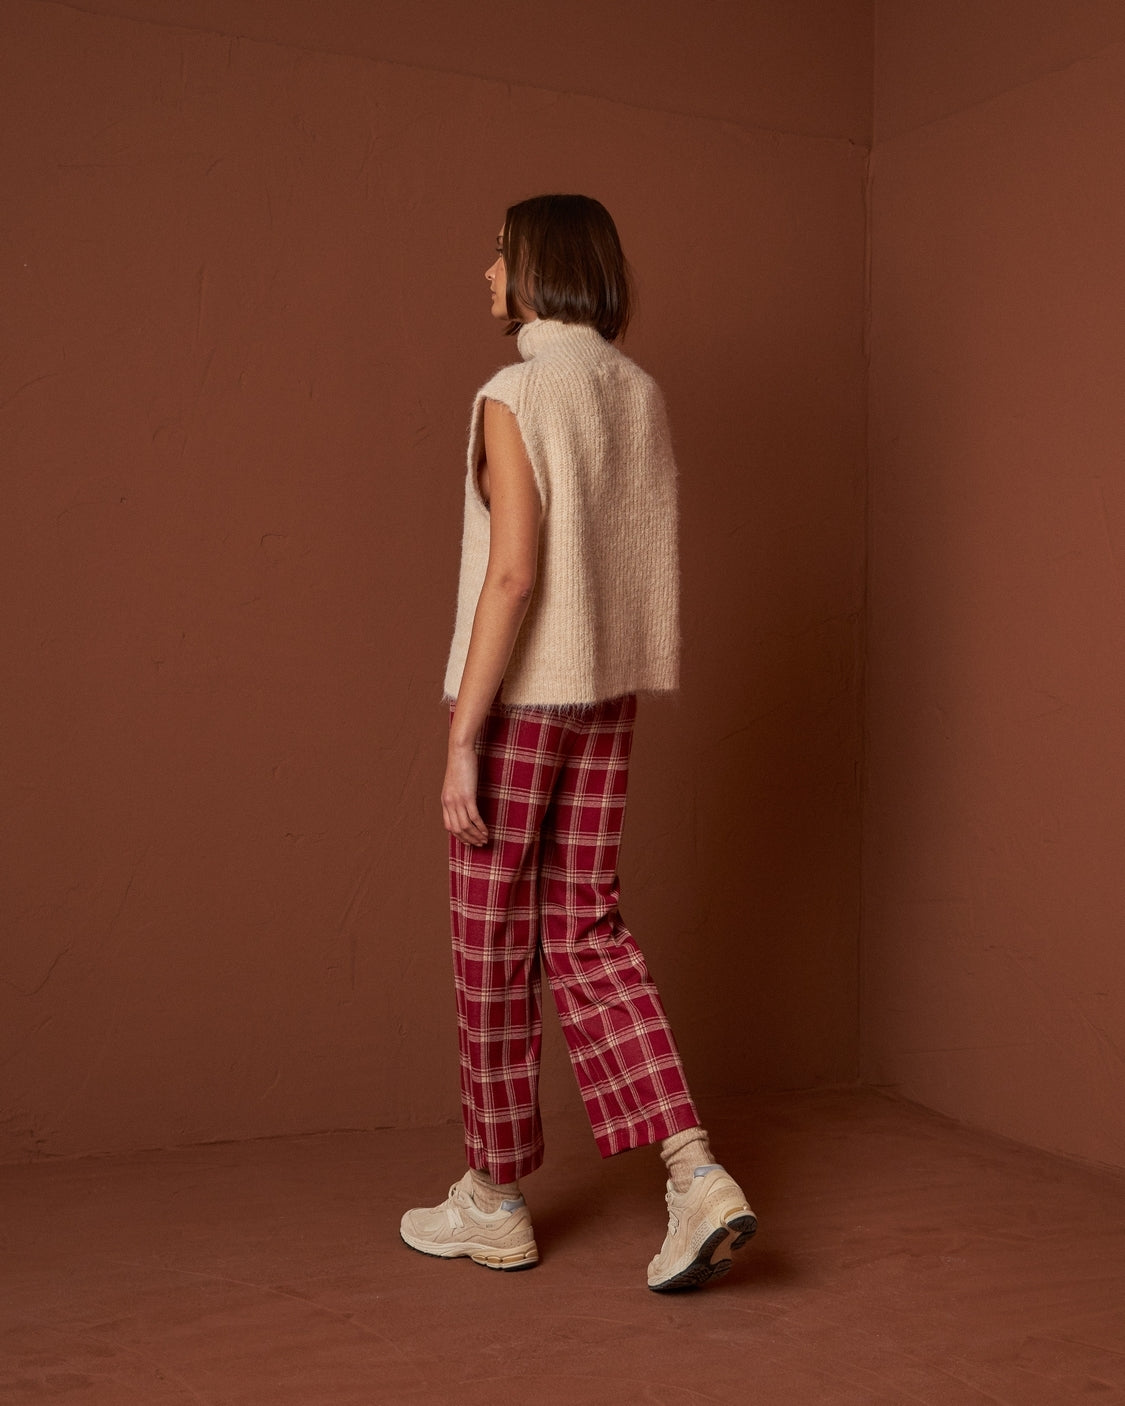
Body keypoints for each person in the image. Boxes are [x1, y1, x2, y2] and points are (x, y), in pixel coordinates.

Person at [399, 194, 756, 1291]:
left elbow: (514, 573)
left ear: (538, 266)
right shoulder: (634, 392)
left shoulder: (516, 392)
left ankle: (495, 1197)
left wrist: (463, 738)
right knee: (586, 926)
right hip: (606, 699)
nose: (487, 272)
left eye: (499, 253)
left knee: (489, 939)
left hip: (522, 700)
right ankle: (694, 1170)